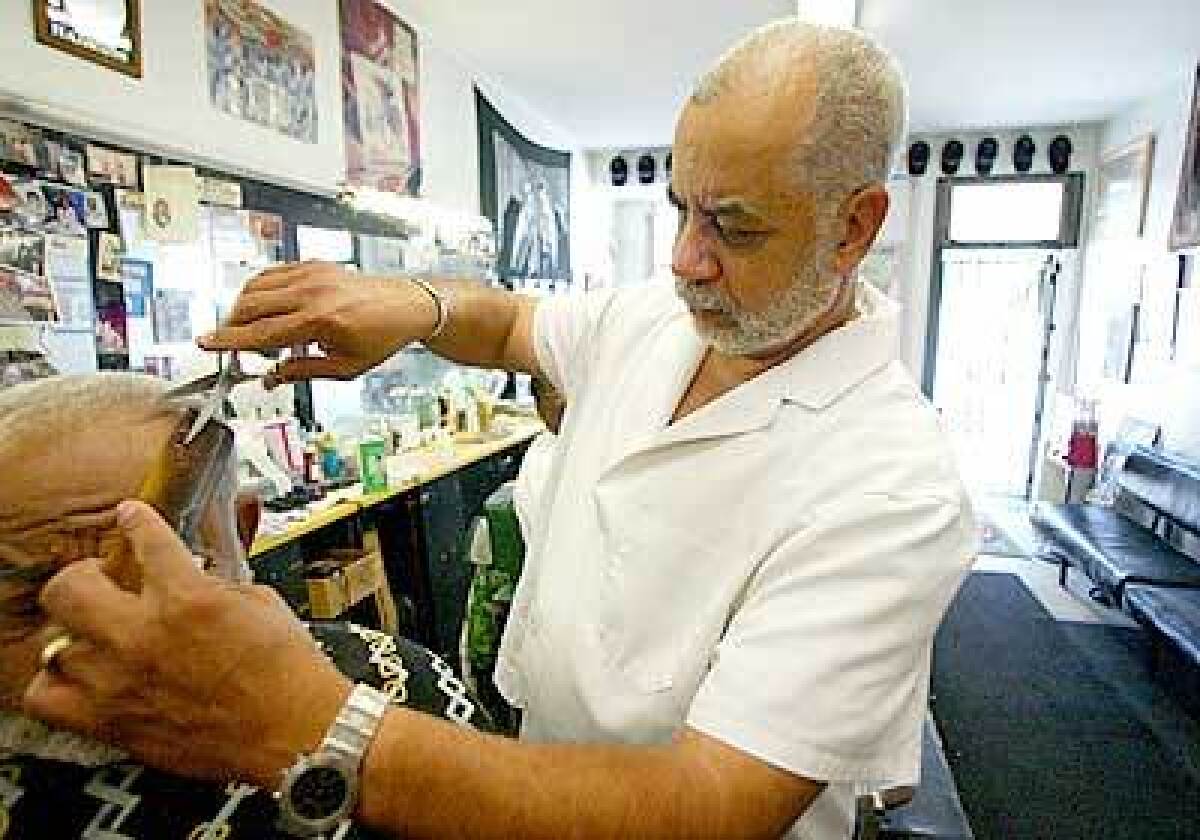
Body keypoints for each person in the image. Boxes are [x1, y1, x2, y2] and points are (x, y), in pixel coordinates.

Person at [24, 20, 976, 839]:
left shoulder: (891, 485)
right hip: (528, 771)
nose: (687, 259)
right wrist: (411, 303)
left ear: (853, 227)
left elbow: (710, 805)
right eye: (681, 206)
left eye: (735, 227)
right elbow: (515, 325)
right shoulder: (654, 317)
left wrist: (310, 722)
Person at [0, 373, 491, 838]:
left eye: (153, 580)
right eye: (27, 602)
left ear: (241, 531)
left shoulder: (393, 689)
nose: (97, 637)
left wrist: (325, 730)